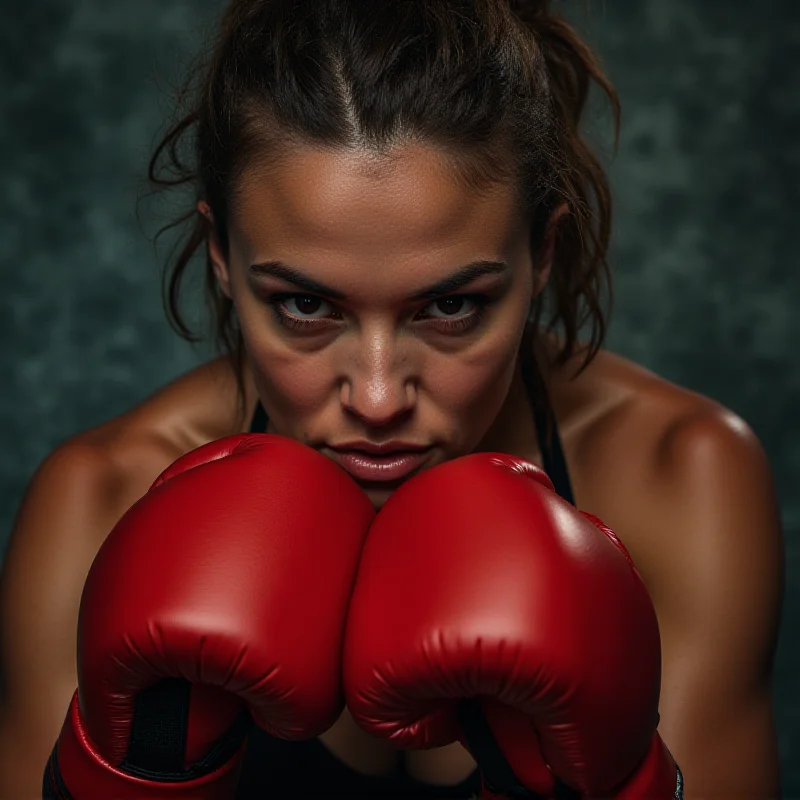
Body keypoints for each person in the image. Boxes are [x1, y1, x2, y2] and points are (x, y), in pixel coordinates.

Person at [0, 0, 784, 797]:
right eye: (305, 306)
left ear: (542, 254)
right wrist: (147, 766)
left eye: (451, 307)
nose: (378, 397)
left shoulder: (679, 476)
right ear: (222, 258)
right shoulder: (100, 499)